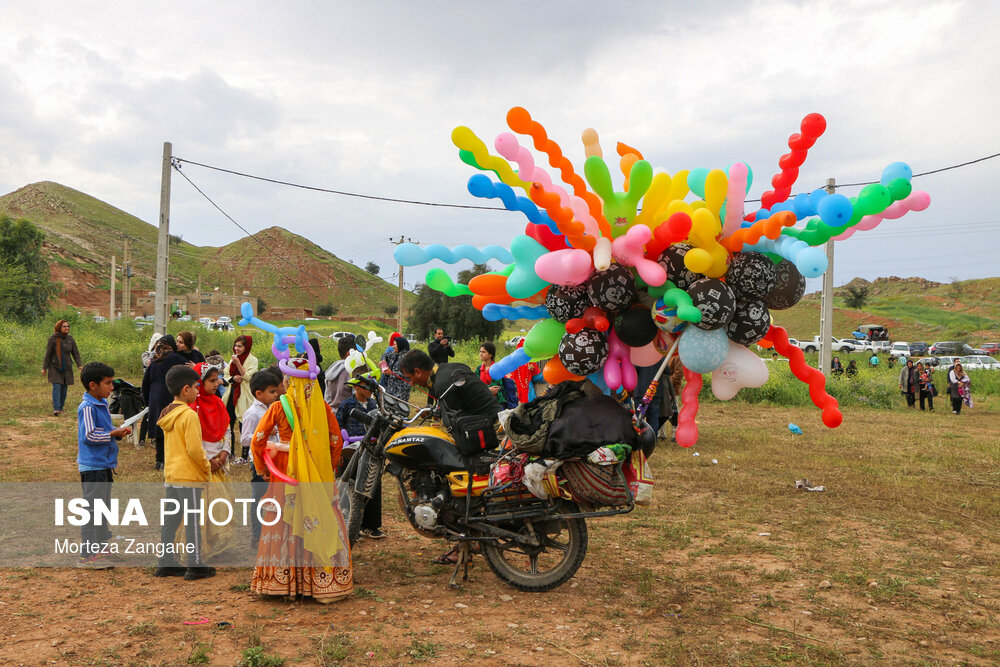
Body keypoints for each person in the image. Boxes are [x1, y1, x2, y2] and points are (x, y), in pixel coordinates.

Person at [250, 361, 352, 603]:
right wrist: (329, 467)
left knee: (284, 520)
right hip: (317, 473)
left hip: (284, 472)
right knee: (319, 516)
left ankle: (283, 582)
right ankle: (321, 583)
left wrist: (263, 468)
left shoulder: (278, 407)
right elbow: (336, 440)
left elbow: (259, 439)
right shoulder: (322, 408)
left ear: (288, 381)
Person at [154, 365, 214, 580]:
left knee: (171, 520)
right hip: (189, 477)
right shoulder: (189, 415)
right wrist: (206, 467)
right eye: (197, 387)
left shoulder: (167, 412)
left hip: (171, 476)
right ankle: (195, 565)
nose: (198, 391)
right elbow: (194, 449)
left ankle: (166, 562)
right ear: (186, 389)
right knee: (192, 522)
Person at [76, 362, 132, 569]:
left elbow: (102, 431)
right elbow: (90, 435)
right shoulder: (88, 407)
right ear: (93, 385)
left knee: (103, 508)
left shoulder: (100, 404)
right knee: (92, 510)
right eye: (108, 383)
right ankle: (87, 555)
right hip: (93, 468)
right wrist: (112, 433)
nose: (111, 388)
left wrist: (116, 432)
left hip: (104, 466)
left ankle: (100, 548)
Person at [191, 362, 234, 558]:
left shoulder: (217, 403)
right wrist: (209, 461)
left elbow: (226, 428)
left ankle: (216, 543)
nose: (217, 384)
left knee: (220, 505)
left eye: (217, 380)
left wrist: (224, 455)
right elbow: (193, 439)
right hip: (202, 465)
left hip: (218, 461)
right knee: (201, 509)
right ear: (199, 383)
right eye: (211, 380)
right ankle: (201, 547)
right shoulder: (193, 408)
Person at [336, 373, 384, 540]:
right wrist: (339, 452)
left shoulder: (374, 404)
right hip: (351, 450)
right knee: (349, 488)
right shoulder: (347, 404)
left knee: (372, 485)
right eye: (366, 386)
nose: (370, 390)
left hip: (370, 450)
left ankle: (370, 526)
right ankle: (347, 525)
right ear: (356, 387)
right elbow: (338, 426)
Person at [399, 349, 501, 424]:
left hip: (492, 427)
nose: (411, 383)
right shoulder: (449, 369)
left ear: (417, 372)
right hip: (498, 416)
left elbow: (455, 423)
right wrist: (432, 412)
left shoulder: (442, 385)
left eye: (409, 378)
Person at [240, 370, 282, 548]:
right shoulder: (252, 413)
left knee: (275, 498)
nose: (276, 395)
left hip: (275, 461)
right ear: (259, 393)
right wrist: (263, 434)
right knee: (259, 499)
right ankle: (256, 536)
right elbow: (244, 439)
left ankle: (272, 533)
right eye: (272, 392)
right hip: (259, 462)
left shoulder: (276, 409)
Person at [141, 335, 189, 470]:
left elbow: (145, 383)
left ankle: (159, 460)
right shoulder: (177, 359)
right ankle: (168, 461)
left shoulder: (155, 361)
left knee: (159, 429)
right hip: (171, 397)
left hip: (155, 398)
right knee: (171, 430)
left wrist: (147, 401)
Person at [222, 335, 258, 461]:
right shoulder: (233, 359)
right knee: (228, 423)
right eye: (235, 346)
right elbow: (226, 375)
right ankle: (230, 452)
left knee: (245, 424)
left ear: (246, 347)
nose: (236, 349)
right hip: (232, 393)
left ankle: (245, 455)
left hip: (244, 395)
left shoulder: (252, 360)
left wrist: (238, 364)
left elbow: (248, 377)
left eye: (240, 346)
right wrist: (233, 379)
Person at [42, 319, 82, 416]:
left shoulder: (70, 339)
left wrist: (79, 364)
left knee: (64, 387)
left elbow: (75, 353)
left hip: (67, 367)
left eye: (68, 326)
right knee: (57, 386)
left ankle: (61, 408)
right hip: (55, 366)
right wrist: (44, 367)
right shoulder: (53, 338)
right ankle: (56, 408)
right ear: (59, 328)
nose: (66, 328)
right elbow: (48, 353)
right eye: (64, 326)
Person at [476, 342, 517, 409]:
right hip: (482, 401)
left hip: (496, 403)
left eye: (484, 352)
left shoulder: (497, 369)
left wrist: (482, 389)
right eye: (480, 351)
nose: (480, 354)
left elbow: (495, 388)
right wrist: (488, 389)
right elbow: (476, 385)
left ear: (490, 354)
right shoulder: (479, 369)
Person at [505, 339, 542, 404]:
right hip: (520, 394)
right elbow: (537, 377)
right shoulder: (529, 361)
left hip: (521, 394)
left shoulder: (513, 362)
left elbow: (536, 376)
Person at [324, 335, 356, 410]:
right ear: (349, 353)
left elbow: (327, 398)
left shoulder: (331, 369)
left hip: (332, 415)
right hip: (348, 416)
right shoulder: (352, 371)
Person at [380, 333, 413, 402]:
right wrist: (384, 362)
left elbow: (406, 374)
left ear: (400, 345)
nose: (393, 346)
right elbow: (384, 355)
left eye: (395, 344)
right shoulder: (394, 354)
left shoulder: (408, 358)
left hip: (401, 390)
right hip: (390, 388)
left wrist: (391, 373)